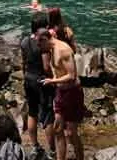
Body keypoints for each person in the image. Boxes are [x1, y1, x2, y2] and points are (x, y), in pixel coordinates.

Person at [37, 27, 85, 160]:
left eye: (39, 44)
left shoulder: (63, 50)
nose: (39, 48)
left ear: (45, 40)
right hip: (60, 92)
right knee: (57, 129)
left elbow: (72, 75)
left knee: (71, 133)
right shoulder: (51, 46)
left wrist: (53, 80)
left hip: (72, 93)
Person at [21, 12, 55, 158]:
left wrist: (26, 76)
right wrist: (53, 80)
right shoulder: (43, 42)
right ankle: (53, 150)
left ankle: (35, 146)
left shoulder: (24, 41)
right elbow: (47, 67)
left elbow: (23, 62)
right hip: (41, 81)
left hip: (28, 78)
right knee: (48, 116)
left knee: (32, 112)